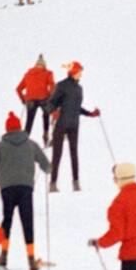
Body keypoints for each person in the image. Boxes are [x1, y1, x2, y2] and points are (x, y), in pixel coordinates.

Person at [0, 112, 51, 270]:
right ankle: (31, 258)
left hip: (7, 188)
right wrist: (48, 170)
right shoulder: (31, 144)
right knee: (27, 221)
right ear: (20, 128)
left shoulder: (0, 146)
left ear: (7, 129)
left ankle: (3, 255)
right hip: (25, 187)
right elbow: (46, 164)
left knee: (7, 220)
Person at [46, 61, 100, 192]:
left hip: (74, 125)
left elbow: (77, 108)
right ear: (74, 72)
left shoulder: (79, 88)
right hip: (61, 124)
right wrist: (53, 112)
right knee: (57, 154)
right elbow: (50, 103)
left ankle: (76, 182)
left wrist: (91, 114)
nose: (81, 74)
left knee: (74, 153)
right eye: (79, 71)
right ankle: (52, 183)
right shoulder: (62, 85)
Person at [16, 54, 55, 146]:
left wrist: (23, 99)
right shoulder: (48, 73)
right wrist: (50, 96)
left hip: (30, 100)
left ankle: (24, 140)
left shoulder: (28, 74)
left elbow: (18, 89)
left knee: (29, 120)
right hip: (44, 98)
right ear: (44, 65)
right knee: (46, 115)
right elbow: (52, 85)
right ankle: (46, 136)